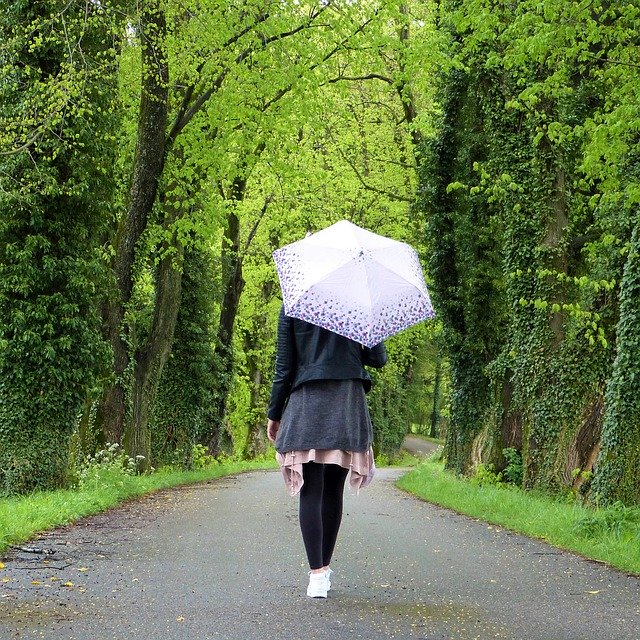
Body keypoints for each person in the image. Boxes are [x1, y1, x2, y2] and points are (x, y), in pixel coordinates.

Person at [266, 305, 387, 598]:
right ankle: (324, 570)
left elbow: (285, 366)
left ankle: (317, 575)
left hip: (307, 398)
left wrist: (275, 412)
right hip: (346, 399)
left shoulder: (293, 306)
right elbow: (378, 358)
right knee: (334, 490)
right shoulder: (357, 305)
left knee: (311, 488)